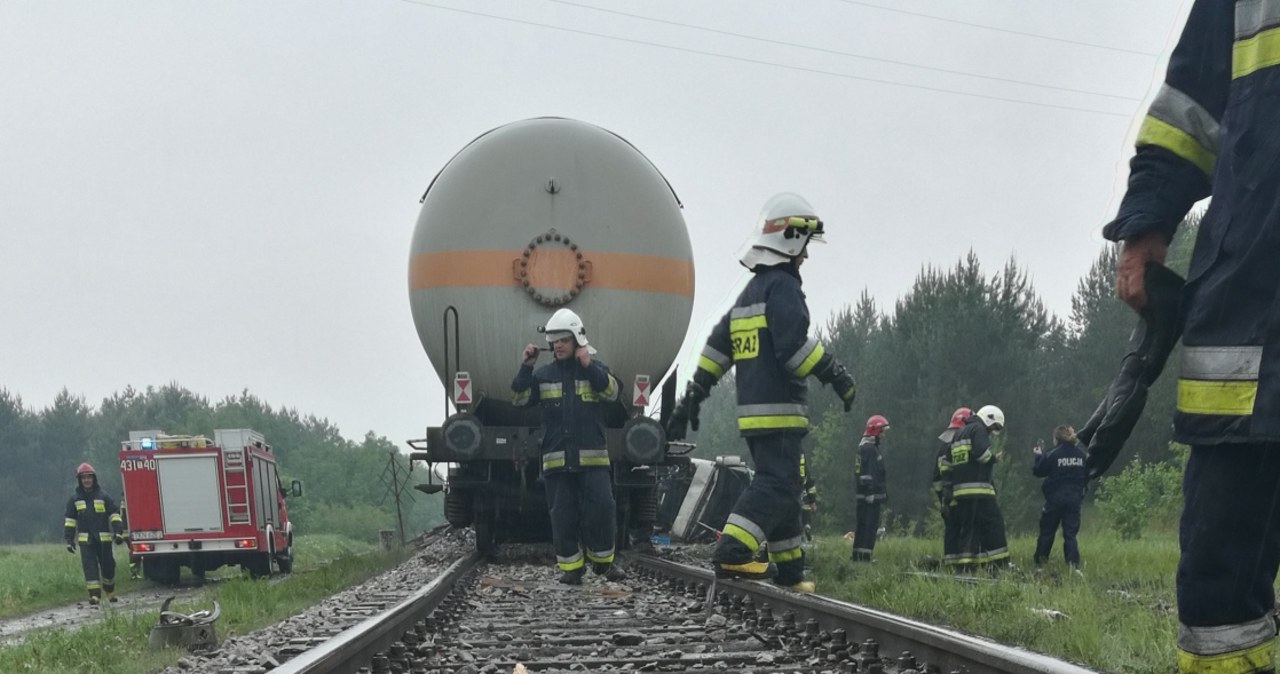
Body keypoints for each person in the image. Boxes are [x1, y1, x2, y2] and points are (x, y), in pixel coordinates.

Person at [1103, 5, 1280, 669]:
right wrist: (1145, 226)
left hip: (1250, 300)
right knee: (1216, 588)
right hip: (1250, 309)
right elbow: (1186, 115)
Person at [666, 192, 857, 593]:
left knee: (785, 488)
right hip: (781, 413)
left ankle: (791, 572)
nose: (806, 257)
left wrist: (694, 394)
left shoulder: (750, 294)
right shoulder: (784, 288)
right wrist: (835, 374)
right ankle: (733, 550)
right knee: (779, 484)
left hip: (754, 415)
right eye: (805, 247)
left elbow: (719, 347)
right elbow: (793, 350)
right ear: (791, 241)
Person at [512, 307, 626, 585]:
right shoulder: (542, 375)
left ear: (577, 340)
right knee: (562, 515)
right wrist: (526, 366)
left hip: (593, 463)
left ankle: (603, 564)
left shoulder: (596, 371)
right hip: (557, 462)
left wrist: (589, 365)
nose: (557, 345)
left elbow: (612, 393)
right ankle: (571, 569)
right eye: (554, 341)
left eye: (563, 339)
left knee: (601, 510)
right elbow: (519, 399)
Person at [940, 405, 1009, 571]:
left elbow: (945, 465)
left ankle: (966, 567)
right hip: (980, 491)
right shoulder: (978, 430)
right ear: (988, 419)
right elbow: (981, 454)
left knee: (970, 529)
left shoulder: (958, 434)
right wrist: (993, 458)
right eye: (993, 428)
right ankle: (1000, 565)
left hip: (961, 494)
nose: (992, 432)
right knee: (995, 525)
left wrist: (948, 489)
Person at [63, 463, 125, 605]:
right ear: (80, 480)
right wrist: (69, 540)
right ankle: (94, 595)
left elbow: (114, 514)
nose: (86, 480)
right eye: (84, 478)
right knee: (89, 567)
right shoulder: (75, 499)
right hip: (86, 541)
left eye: (89, 477)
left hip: (104, 540)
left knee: (108, 566)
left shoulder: (103, 496)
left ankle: (110, 591)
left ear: (94, 479)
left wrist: (118, 532)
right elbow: (70, 521)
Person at [1031, 426, 1088, 568]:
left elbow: (1039, 471)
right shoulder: (1082, 455)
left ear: (1056, 439)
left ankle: (1040, 564)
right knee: (1070, 534)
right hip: (1074, 499)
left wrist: (1038, 456)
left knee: (1047, 531)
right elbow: (1087, 475)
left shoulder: (1053, 454)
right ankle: (1073, 566)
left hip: (1055, 499)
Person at [851, 414, 889, 561]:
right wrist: (871, 492)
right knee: (868, 527)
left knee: (863, 526)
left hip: (866, 495)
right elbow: (868, 474)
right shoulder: (869, 449)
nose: (883, 435)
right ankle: (864, 558)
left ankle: (858, 555)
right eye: (881, 431)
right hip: (869, 497)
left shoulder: (865, 448)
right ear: (874, 431)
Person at [799, 450, 817, 541]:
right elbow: (810, 483)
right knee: (805, 509)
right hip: (802, 493)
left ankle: (804, 529)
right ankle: (807, 526)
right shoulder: (800, 453)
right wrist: (813, 501)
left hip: (791, 492)